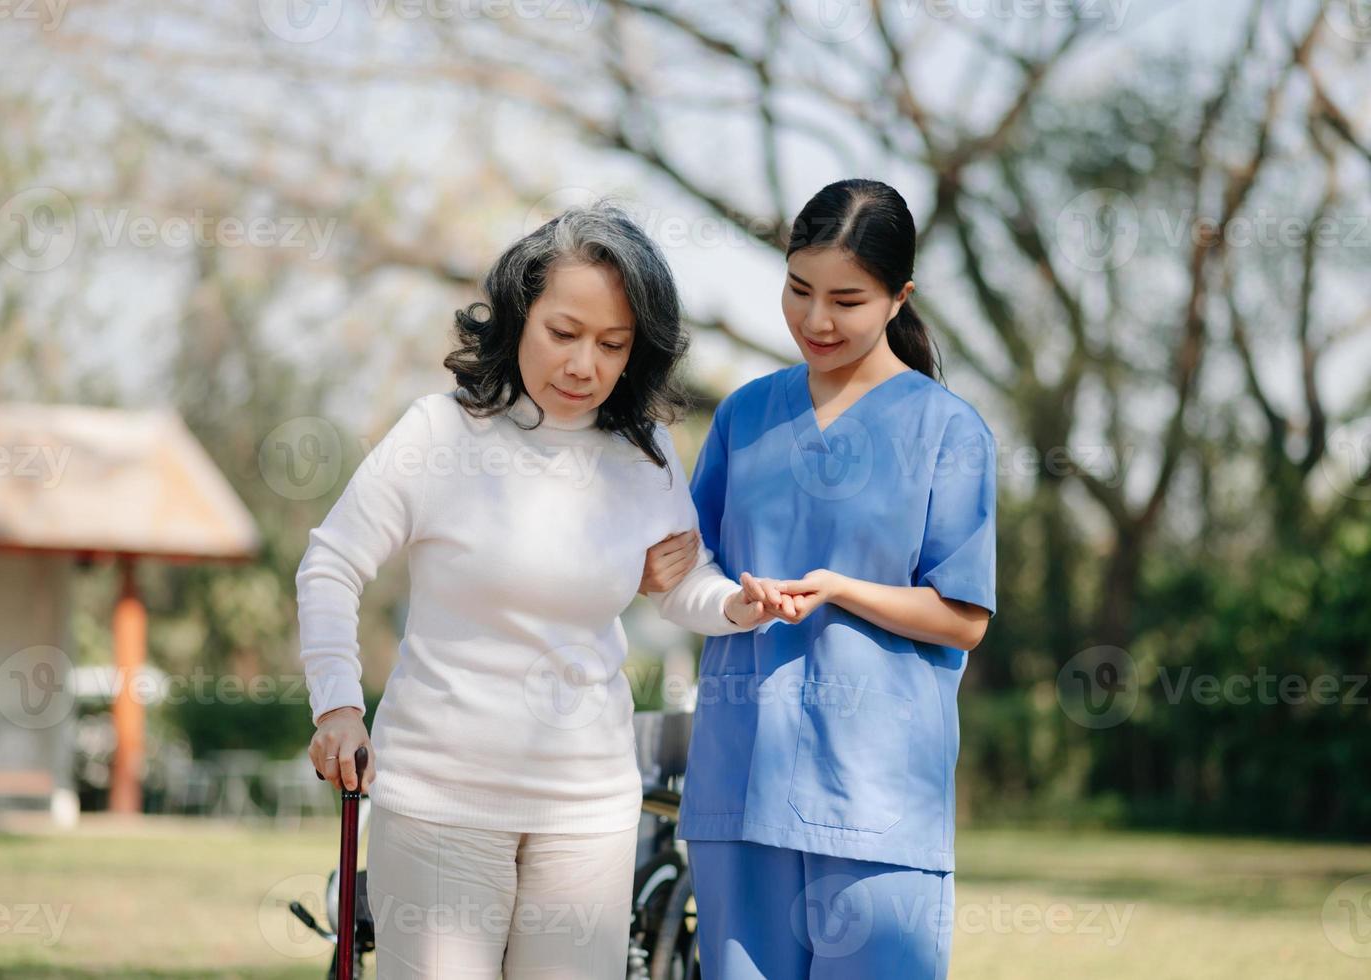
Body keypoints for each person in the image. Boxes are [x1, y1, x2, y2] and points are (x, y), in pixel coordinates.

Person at [295, 203, 786, 979]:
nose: (583, 365)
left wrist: (735, 605)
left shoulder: (644, 451)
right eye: (564, 333)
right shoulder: (438, 434)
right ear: (519, 317)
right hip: (437, 802)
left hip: (586, 809)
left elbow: (677, 580)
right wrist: (337, 705)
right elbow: (330, 563)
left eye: (611, 344)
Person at [640, 179, 998, 978]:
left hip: (877, 797)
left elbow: (963, 617)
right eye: (797, 290)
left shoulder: (946, 430)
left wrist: (839, 588)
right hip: (740, 781)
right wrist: (655, 565)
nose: (815, 320)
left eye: (847, 299)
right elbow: (689, 570)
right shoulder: (744, 415)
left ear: (897, 297)